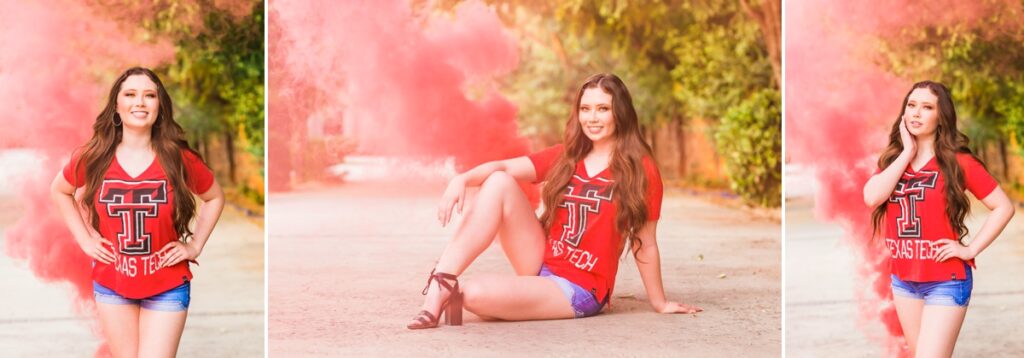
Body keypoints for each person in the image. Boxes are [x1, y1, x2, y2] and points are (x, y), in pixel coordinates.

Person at [408, 73, 702, 330]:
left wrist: (659, 302)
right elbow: (507, 168)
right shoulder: (568, 156)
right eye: (585, 109)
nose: (592, 118)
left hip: (579, 287)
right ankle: (440, 282)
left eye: (603, 109)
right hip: (541, 257)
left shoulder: (642, 169)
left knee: (472, 294)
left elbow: (646, 243)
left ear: (620, 113)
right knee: (498, 181)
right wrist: (462, 179)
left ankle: (463, 294)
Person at [50, 67, 225, 357]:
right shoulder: (94, 156)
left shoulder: (178, 158)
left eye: (149, 95)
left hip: (167, 282)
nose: (140, 102)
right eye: (130, 94)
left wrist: (194, 245)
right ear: (117, 107)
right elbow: (60, 191)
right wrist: (86, 240)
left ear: (160, 106)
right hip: (113, 282)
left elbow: (214, 196)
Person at [863, 81, 1014, 356]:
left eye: (927, 107)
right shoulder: (894, 160)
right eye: (911, 105)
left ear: (940, 116)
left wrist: (970, 249)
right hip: (904, 280)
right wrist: (907, 152)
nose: (916, 113)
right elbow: (872, 197)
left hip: (946, 280)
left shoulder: (959, 162)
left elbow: (1003, 207)